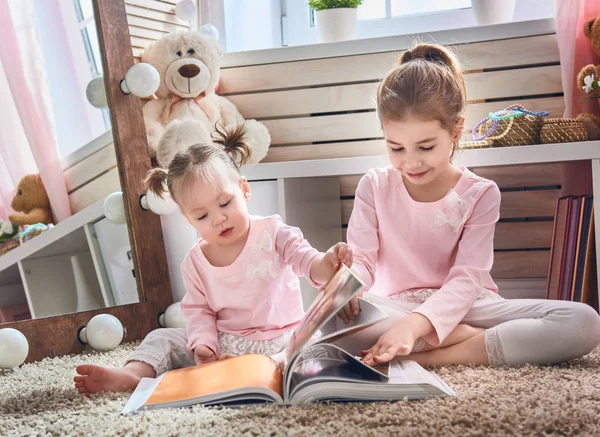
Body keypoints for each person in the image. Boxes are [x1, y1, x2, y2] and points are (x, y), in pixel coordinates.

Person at [336, 43, 600, 368]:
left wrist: (416, 325)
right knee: (333, 321)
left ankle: (439, 352)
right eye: (396, 148)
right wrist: (349, 286)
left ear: (456, 130)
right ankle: (461, 337)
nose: (411, 162)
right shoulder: (374, 185)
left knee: (583, 321)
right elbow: (362, 260)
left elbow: (466, 279)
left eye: (426, 146)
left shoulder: (480, 193)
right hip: (396, 305)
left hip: (468, 305)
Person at [74, 124, 352, 394]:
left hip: (283, 339)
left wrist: (327, 263)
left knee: (317, 346)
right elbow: (199, 311)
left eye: (224, 203)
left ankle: (259, 369)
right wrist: (203, 345)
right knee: (162, 337)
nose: (218, 219)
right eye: (202, 216)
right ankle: (133, 375)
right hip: (227, 344)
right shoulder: (195, 261)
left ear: (243, 190)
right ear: (188, 218)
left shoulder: (274, 232)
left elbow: (307, 261)